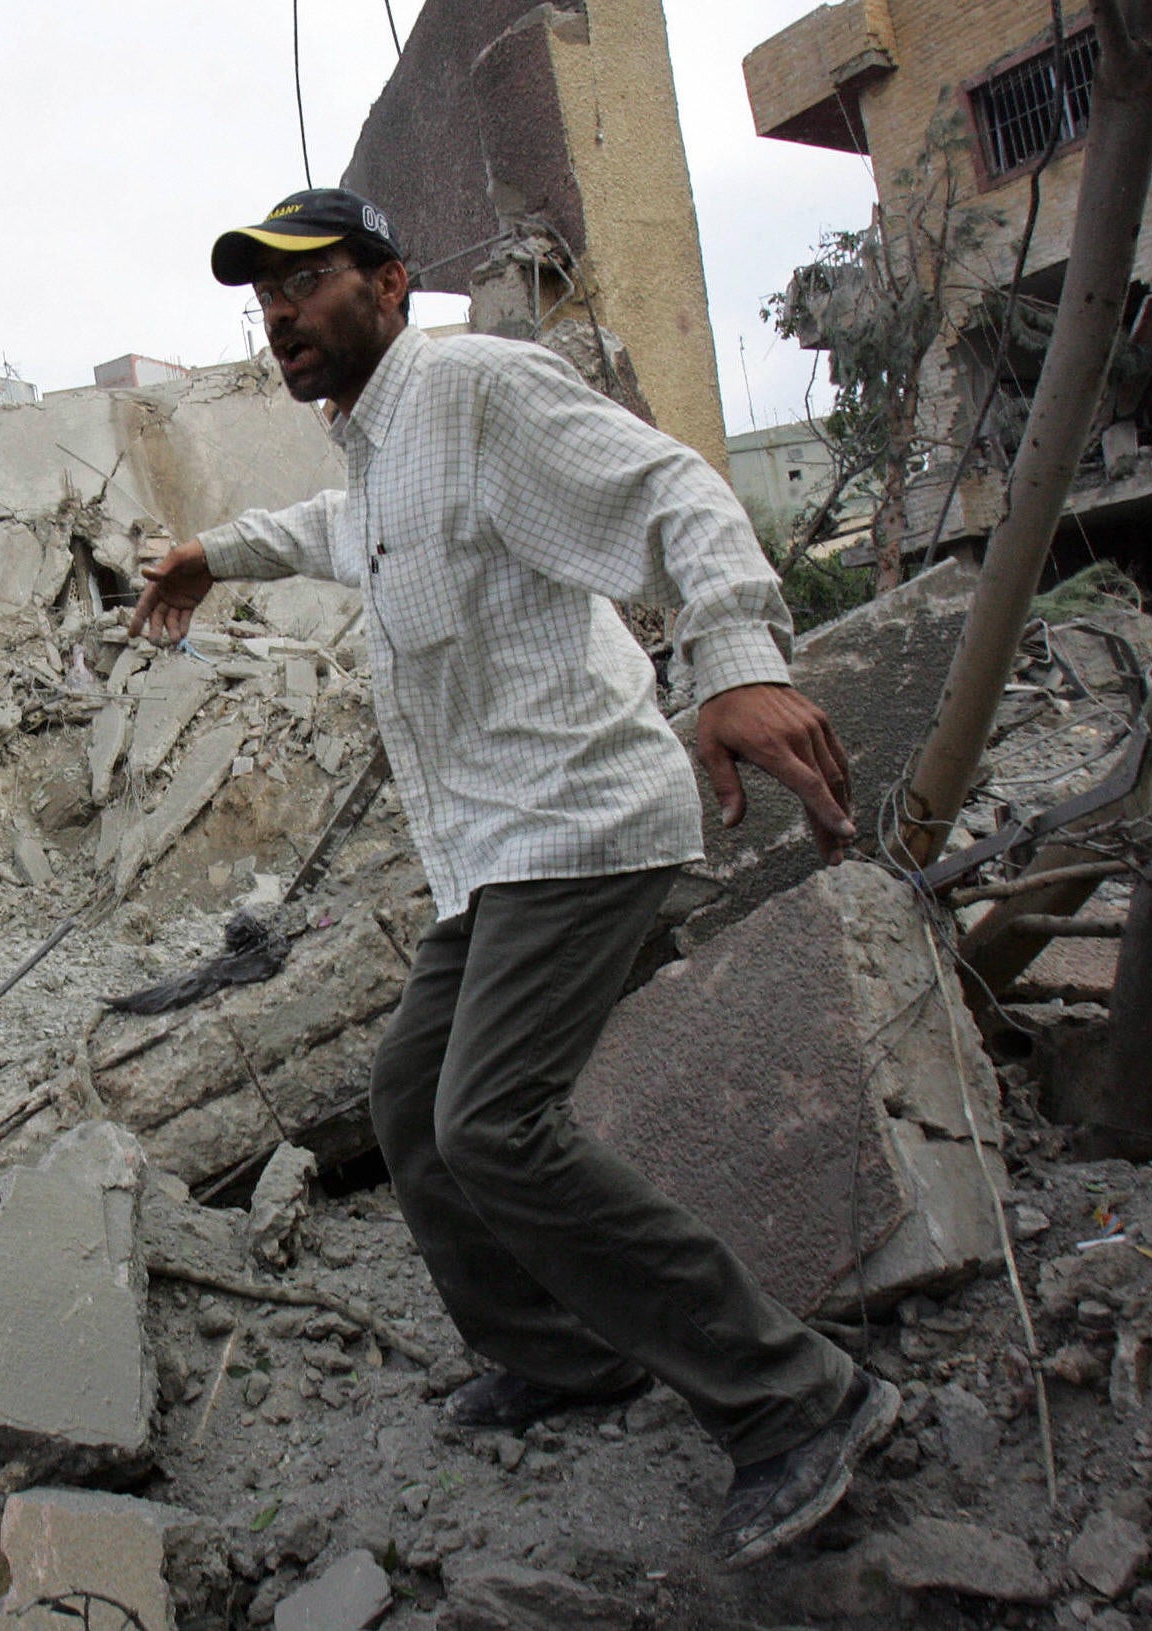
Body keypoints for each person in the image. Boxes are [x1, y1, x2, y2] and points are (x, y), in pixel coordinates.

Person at [128, 188, 898, 1569]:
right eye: (263, 300)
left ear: (389, 279)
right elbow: (327, 528)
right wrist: (212, 554)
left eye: (305, 284)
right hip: (488, 851)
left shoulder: (476, 386)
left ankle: (797, 1399)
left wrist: (734, 660)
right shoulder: (379, 448)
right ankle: (556, 1354)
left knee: (492, 1123)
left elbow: (671, 489)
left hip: (581, 821)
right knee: (410, 1104)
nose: (280, 316)